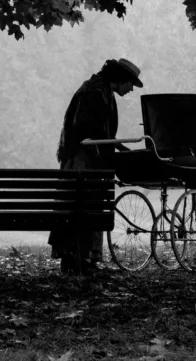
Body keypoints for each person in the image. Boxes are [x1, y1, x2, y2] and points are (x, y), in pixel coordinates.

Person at [49, 58, 143, 273]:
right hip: (83, 160)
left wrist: (119, 149)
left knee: (83, 206)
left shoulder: (101, 91)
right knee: (83, 206)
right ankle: (79, 259)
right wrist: (108, 154)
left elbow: (101, 133)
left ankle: (81, 258)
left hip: (84, 158)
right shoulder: (95, 92)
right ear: (121, 79)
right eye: (130, 84)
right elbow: (90, 134)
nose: (130, 90)